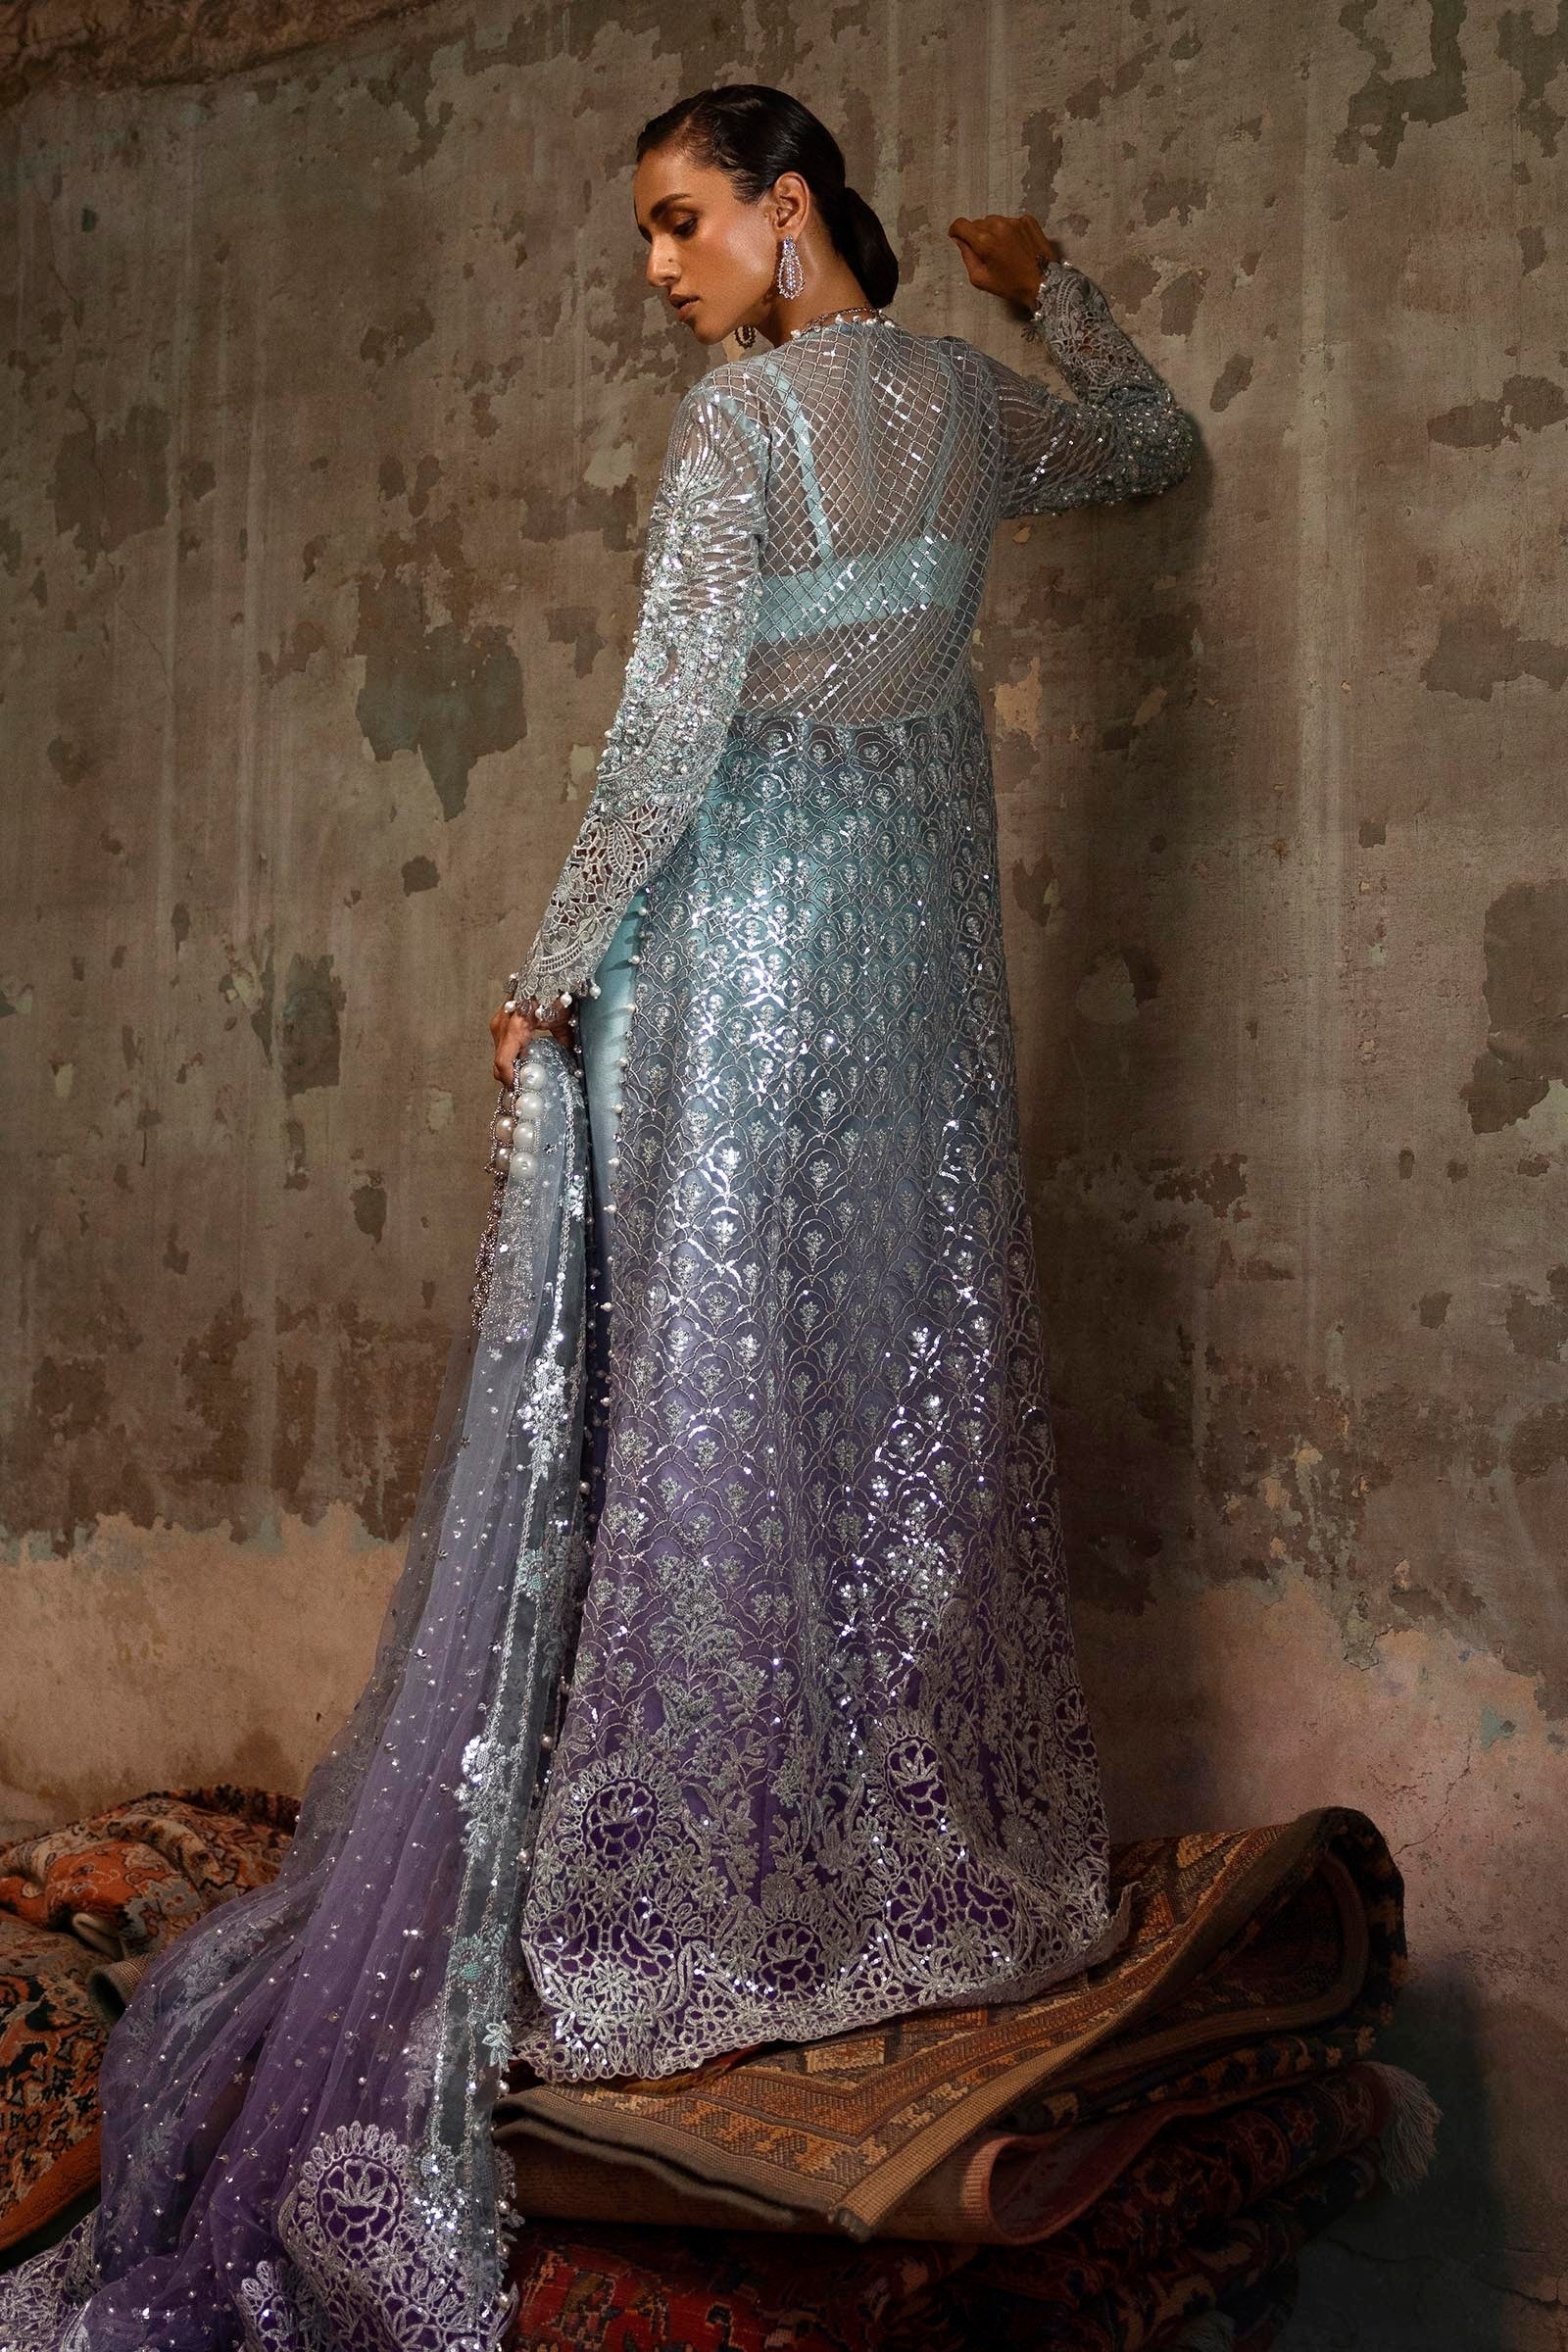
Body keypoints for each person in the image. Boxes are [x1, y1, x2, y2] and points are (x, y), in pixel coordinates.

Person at [0, 81, 1194, 2352]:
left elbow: (663, 734)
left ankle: (710, 1899)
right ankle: (874, 1871)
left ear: (783, 206)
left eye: (675, 222)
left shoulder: (745, 431)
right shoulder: (963, 410)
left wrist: (546, 971)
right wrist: (1063, 302)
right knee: (882, 1399)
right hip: (914, 992)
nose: (654, 272)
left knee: (715, 1399)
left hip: (741, 961)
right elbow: (1143, 444)